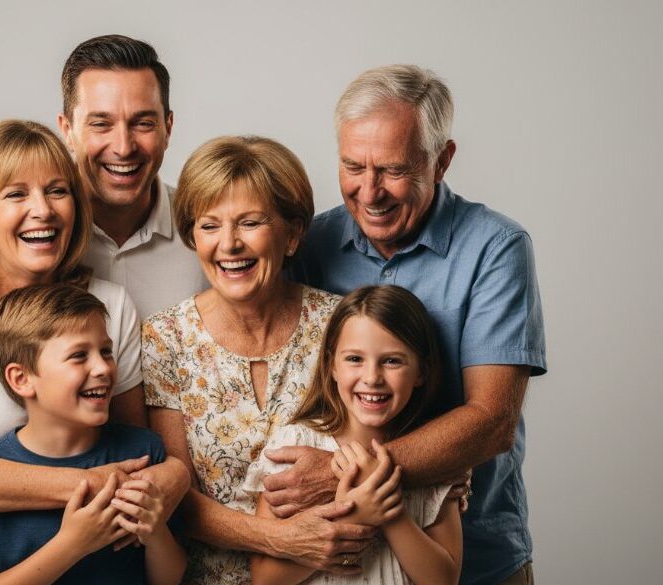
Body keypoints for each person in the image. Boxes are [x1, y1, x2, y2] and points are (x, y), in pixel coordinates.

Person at [0, 120, 187, 584]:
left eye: (57, 191)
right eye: (15, 195)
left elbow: (133, 448)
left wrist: (173, 477)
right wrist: (98, 486)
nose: (42, 211)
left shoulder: (109, 304)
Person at [276, 65, 546, 585]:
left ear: (442, 160)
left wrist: (339, 473)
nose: (370, 192)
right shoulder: (312, 246)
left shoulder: (496, 249)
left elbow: (492, 421)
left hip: (477, 560)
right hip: (344, 565)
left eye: (393, 170)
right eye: (353, 166)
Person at [143, 135, 374, 585]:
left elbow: (381, 438)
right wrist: (282, 539)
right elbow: (177, 497)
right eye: (209, 226)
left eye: (249, 223)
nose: (229, 244)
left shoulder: (339, 325)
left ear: (291, 234)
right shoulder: (165, 337)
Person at [0, 283, 185, 585]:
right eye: (79, 355)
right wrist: (72, 544)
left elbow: (169, 577)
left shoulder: (143, 452)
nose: (103, 368)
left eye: (106, 351)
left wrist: (156, 533)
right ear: (22, 379)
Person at [245, 285, 462, 585]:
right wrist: (356, 516)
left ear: (421, 372)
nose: (372, 378)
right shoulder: (293, 447)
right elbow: (265, 579)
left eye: (392, 360)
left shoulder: (434, 454)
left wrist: (391, 512)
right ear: (331, 365)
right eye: (355, 359)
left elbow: (444, 580)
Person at [57, 34, 209, 319]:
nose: (124, 148)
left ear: (168, 128)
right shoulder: (39, 238)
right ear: (67, 130)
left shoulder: (210, 235)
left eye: (143, 123)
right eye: (101, 124)